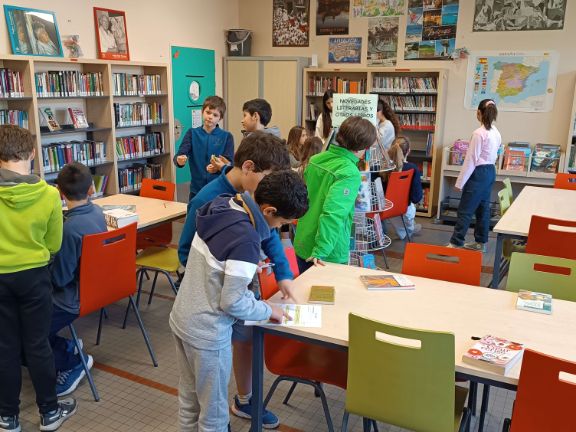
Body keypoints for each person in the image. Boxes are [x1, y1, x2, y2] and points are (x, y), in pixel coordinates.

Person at [170, 170, 309, 432]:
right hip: (207, 333)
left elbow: (217, 264)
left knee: (189, 402)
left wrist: (250, 269)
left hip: (183, 316)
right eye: (282, 222)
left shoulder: (224, 203)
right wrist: (268, 309)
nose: (278, 228)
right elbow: (232, 303)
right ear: (268, 211)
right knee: (214, 415)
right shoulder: (246, 239)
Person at [0, 125, 77, 432]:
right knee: (38, 345)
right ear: (32, 153)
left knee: (5, 347)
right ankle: (49, 413)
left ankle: (7, 417)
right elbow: (54, 244)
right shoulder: (48, 195)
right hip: (34, 277)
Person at [49, 162, 108, 397]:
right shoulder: (97, 212)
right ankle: (67, 345)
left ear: (60, 192)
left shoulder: (70, 229)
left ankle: (72, 362)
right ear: (92, 190)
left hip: (71, 299)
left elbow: (60, 279)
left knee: (23, 334)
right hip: (98, 289)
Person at [294, 116, 377, 274]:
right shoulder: (349, 172)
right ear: (363, 147)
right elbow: (333, 214)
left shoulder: (315, 159)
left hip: (303, 240)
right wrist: (321, 250)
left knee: (304, 295)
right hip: (327, 252)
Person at [448, 99, 501, 253]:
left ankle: (456, 242)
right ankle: (481, 243)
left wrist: (460, 182)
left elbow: (471, 160)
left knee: (465, 209)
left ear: (479, 113)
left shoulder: (478, 133)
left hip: (479, 173)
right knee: (483, 209)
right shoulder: (496, 132)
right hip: (490, 171)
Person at [174, 96, 234, 201]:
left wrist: (218, 167)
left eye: (215, 115)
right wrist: (180, 160)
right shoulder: (192, 133)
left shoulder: (227, 137)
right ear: (202, 112)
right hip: (196, 190)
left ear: (220, 118)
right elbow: (179, 155)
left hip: (219, 190)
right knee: (194, 216)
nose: (210, 117)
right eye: (208, 112)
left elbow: (230, 164)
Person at [387, 136, 423, 239]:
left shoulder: (384, 167)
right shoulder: (412, 168)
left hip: (387, 209)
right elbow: (416, 197)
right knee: (410, 206)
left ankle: (406, 229)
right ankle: (409, 228)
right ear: (409, 151)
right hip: (404, 208)